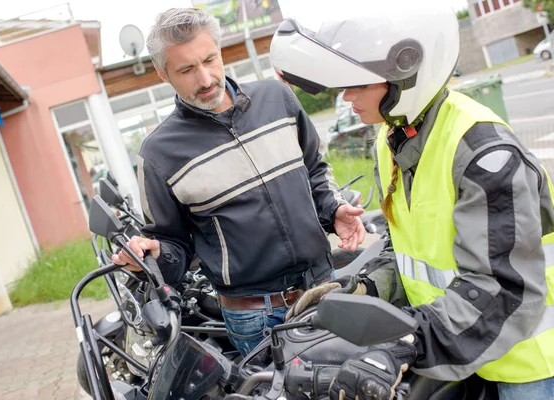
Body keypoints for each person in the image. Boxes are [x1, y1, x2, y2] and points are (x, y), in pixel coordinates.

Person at [270, 1, 554, 399]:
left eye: (359, 82)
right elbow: (408, 250)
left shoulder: (484, 153)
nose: (347, 96)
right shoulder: (392, 143)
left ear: (407, 75)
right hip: (458, 350)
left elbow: (500, 288)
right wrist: (362, 290)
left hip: (525, 361)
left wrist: (406, 339)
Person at [111, 7, 366, 357]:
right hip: (255, 316)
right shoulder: (158, 155)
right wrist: (154, 254)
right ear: (162, 73)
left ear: (220, 50)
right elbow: (172, 245)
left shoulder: (278, 100)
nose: (205, 79)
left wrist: (333, 210)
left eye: (209, 60)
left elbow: (314, 169)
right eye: (186, 69)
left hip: (324, 285)